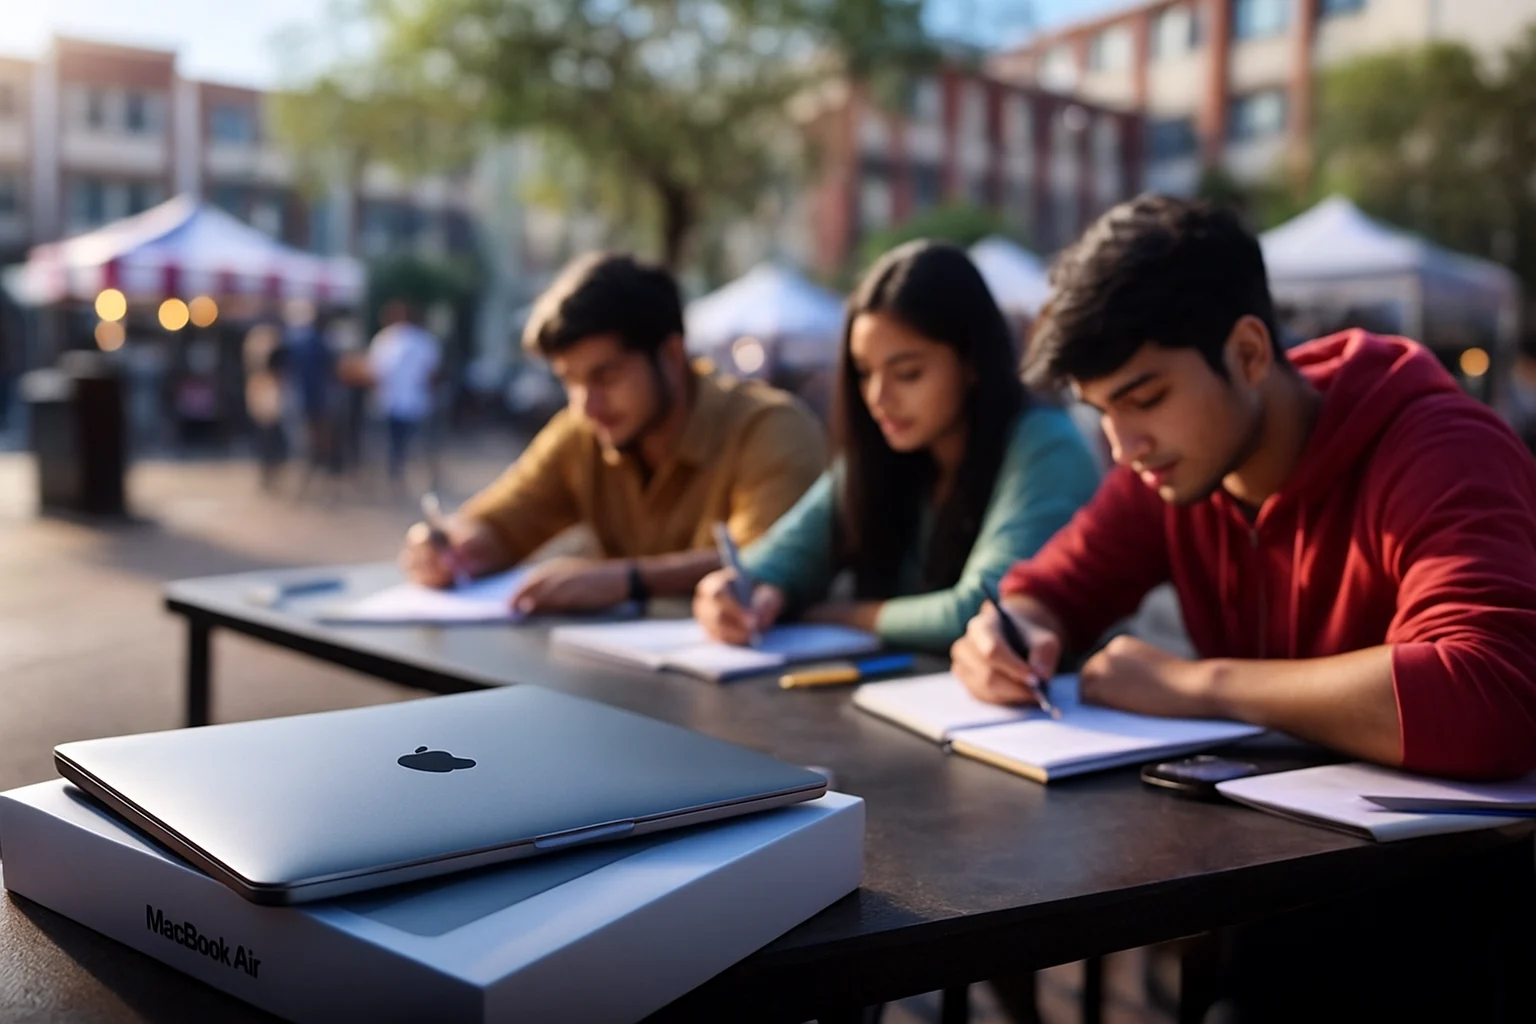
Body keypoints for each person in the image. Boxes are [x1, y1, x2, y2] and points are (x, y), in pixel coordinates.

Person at [950, 193, 1536, 1022]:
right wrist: (1012, 634)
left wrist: (1199, 685)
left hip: (1447, 925)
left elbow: (1492, 693)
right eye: (1102, 410)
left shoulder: (1440, 446)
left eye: (1145, 396)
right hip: (1261, 908)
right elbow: (1046, 588)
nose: (1123, 444)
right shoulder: (1174, 466)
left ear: (1251, 351)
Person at [692, 241, 1100, 652]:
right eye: (864, 373)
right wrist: (736, 593)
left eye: (907, 373)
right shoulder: (882, 453)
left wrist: (845, 614)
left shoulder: (1047, 447)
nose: (877, 396)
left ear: (972, 361)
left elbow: (983, 610)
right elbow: (777, 560)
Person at [399, 252, 827, 613]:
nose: (587, 403)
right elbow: (503, 518)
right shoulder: (583, 431)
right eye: (569, 381)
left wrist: (629, 580)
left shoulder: (772, 428)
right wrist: (453, 548)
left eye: (605, 376)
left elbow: (769, 565)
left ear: (672, 355)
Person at [363, 301, 441, 481]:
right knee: (396, 439)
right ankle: (397, 467)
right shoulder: (387, 339)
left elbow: (431, 371)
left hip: (410, 400)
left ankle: (402, 467)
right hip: (393, 399)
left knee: (406, 439)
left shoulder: (419, 340)